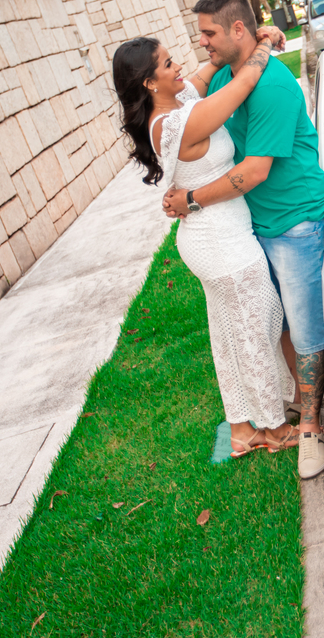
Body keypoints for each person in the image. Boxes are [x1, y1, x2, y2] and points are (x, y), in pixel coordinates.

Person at [162, 0, 324, 480]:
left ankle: (311, 428)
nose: (203, 44)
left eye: (209, 33)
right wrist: (265, 42)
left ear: (238, 29)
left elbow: (255, 170)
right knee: (275, 322)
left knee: (304, 331)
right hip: (252, 225)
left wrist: (191, 200)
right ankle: (296, 406)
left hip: (294, 222)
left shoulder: (275, 87)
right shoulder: (221, 74)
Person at [113, 27, 301, 458]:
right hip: (220, 241)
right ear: (148, 82)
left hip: (215, 237)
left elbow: (209, 69)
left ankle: (240, 428)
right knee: (258, 326)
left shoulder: (179, 104)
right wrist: (266, 44)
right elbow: (245, 81)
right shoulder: (181, 121)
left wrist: (246, 38)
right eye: (167, 63)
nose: (179, 66)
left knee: (230, 332)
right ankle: (273, 429)